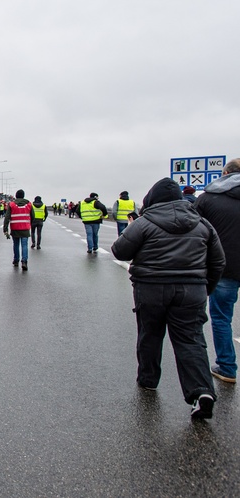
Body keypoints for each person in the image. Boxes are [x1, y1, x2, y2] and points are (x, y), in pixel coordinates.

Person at [111, 178, 225, 419]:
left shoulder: (144, 223)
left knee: (150, 334)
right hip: (191, 291)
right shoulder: (202, 224)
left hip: (151, 289)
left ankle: (148, 380)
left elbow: (120, 251)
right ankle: (201, 391)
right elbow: (218, 262)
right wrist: (205, 289)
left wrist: (132, 227)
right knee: (191, 340)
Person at [194, 158, 240, 384]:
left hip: (224, 266)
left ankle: (227, 367)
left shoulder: (208, 199)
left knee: (222, 318)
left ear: (225, 173)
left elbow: (191, 229)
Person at [3, 189, 33, 271]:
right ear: (23, 196)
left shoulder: (12, 204)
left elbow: (7, 217)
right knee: (24, 245)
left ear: (16, 196)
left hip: (15, 228)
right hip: (25, 228)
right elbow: (32, 216)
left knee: (16, 245)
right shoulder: (29, 204)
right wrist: (30, 225)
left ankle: (16, 260)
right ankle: (24, 261)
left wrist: (5, 229)